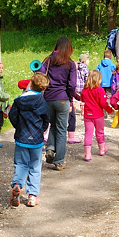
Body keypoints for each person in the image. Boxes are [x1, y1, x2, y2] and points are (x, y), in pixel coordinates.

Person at [8, 73, 50, 207]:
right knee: (35, 167)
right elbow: (46, 120)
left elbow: (12, 116)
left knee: (20, 164)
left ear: (30, 84)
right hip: (36, 140)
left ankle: (17, 184)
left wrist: (19, 127)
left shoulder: (19, 100)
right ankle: (32, 196)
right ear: (43, 88)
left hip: (21, 138)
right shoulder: (42, 103)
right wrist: (40, 131)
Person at [37, 36, 78, 170]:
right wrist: (70, 99)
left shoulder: (48, 60)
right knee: (61, 129)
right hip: (62, 99)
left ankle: (50, 148)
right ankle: (59, 160)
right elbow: (72, 85)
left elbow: (40, 75)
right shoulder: (70, 63)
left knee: (53, 124)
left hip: (48, 98)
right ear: (69, 48)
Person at [81, 71, 115, 160]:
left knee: (88, 133)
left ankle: (87, 154)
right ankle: (102, 149)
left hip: (88, 115)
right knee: (100, 132)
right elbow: (103, 103)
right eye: (100, 79)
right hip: (98, 115)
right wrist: (110, 110)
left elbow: (82, 99)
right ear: (97, 80)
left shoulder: (85, 90)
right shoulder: (100, 90)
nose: (101, 81)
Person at [67, 53, 89, 144]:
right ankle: (71, 137)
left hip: (64, 98)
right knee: (71, 118)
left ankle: (47, 135)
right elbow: (71, 90)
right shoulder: (84, 69)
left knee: (55, 119)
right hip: (69, 99)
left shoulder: (67, 74)